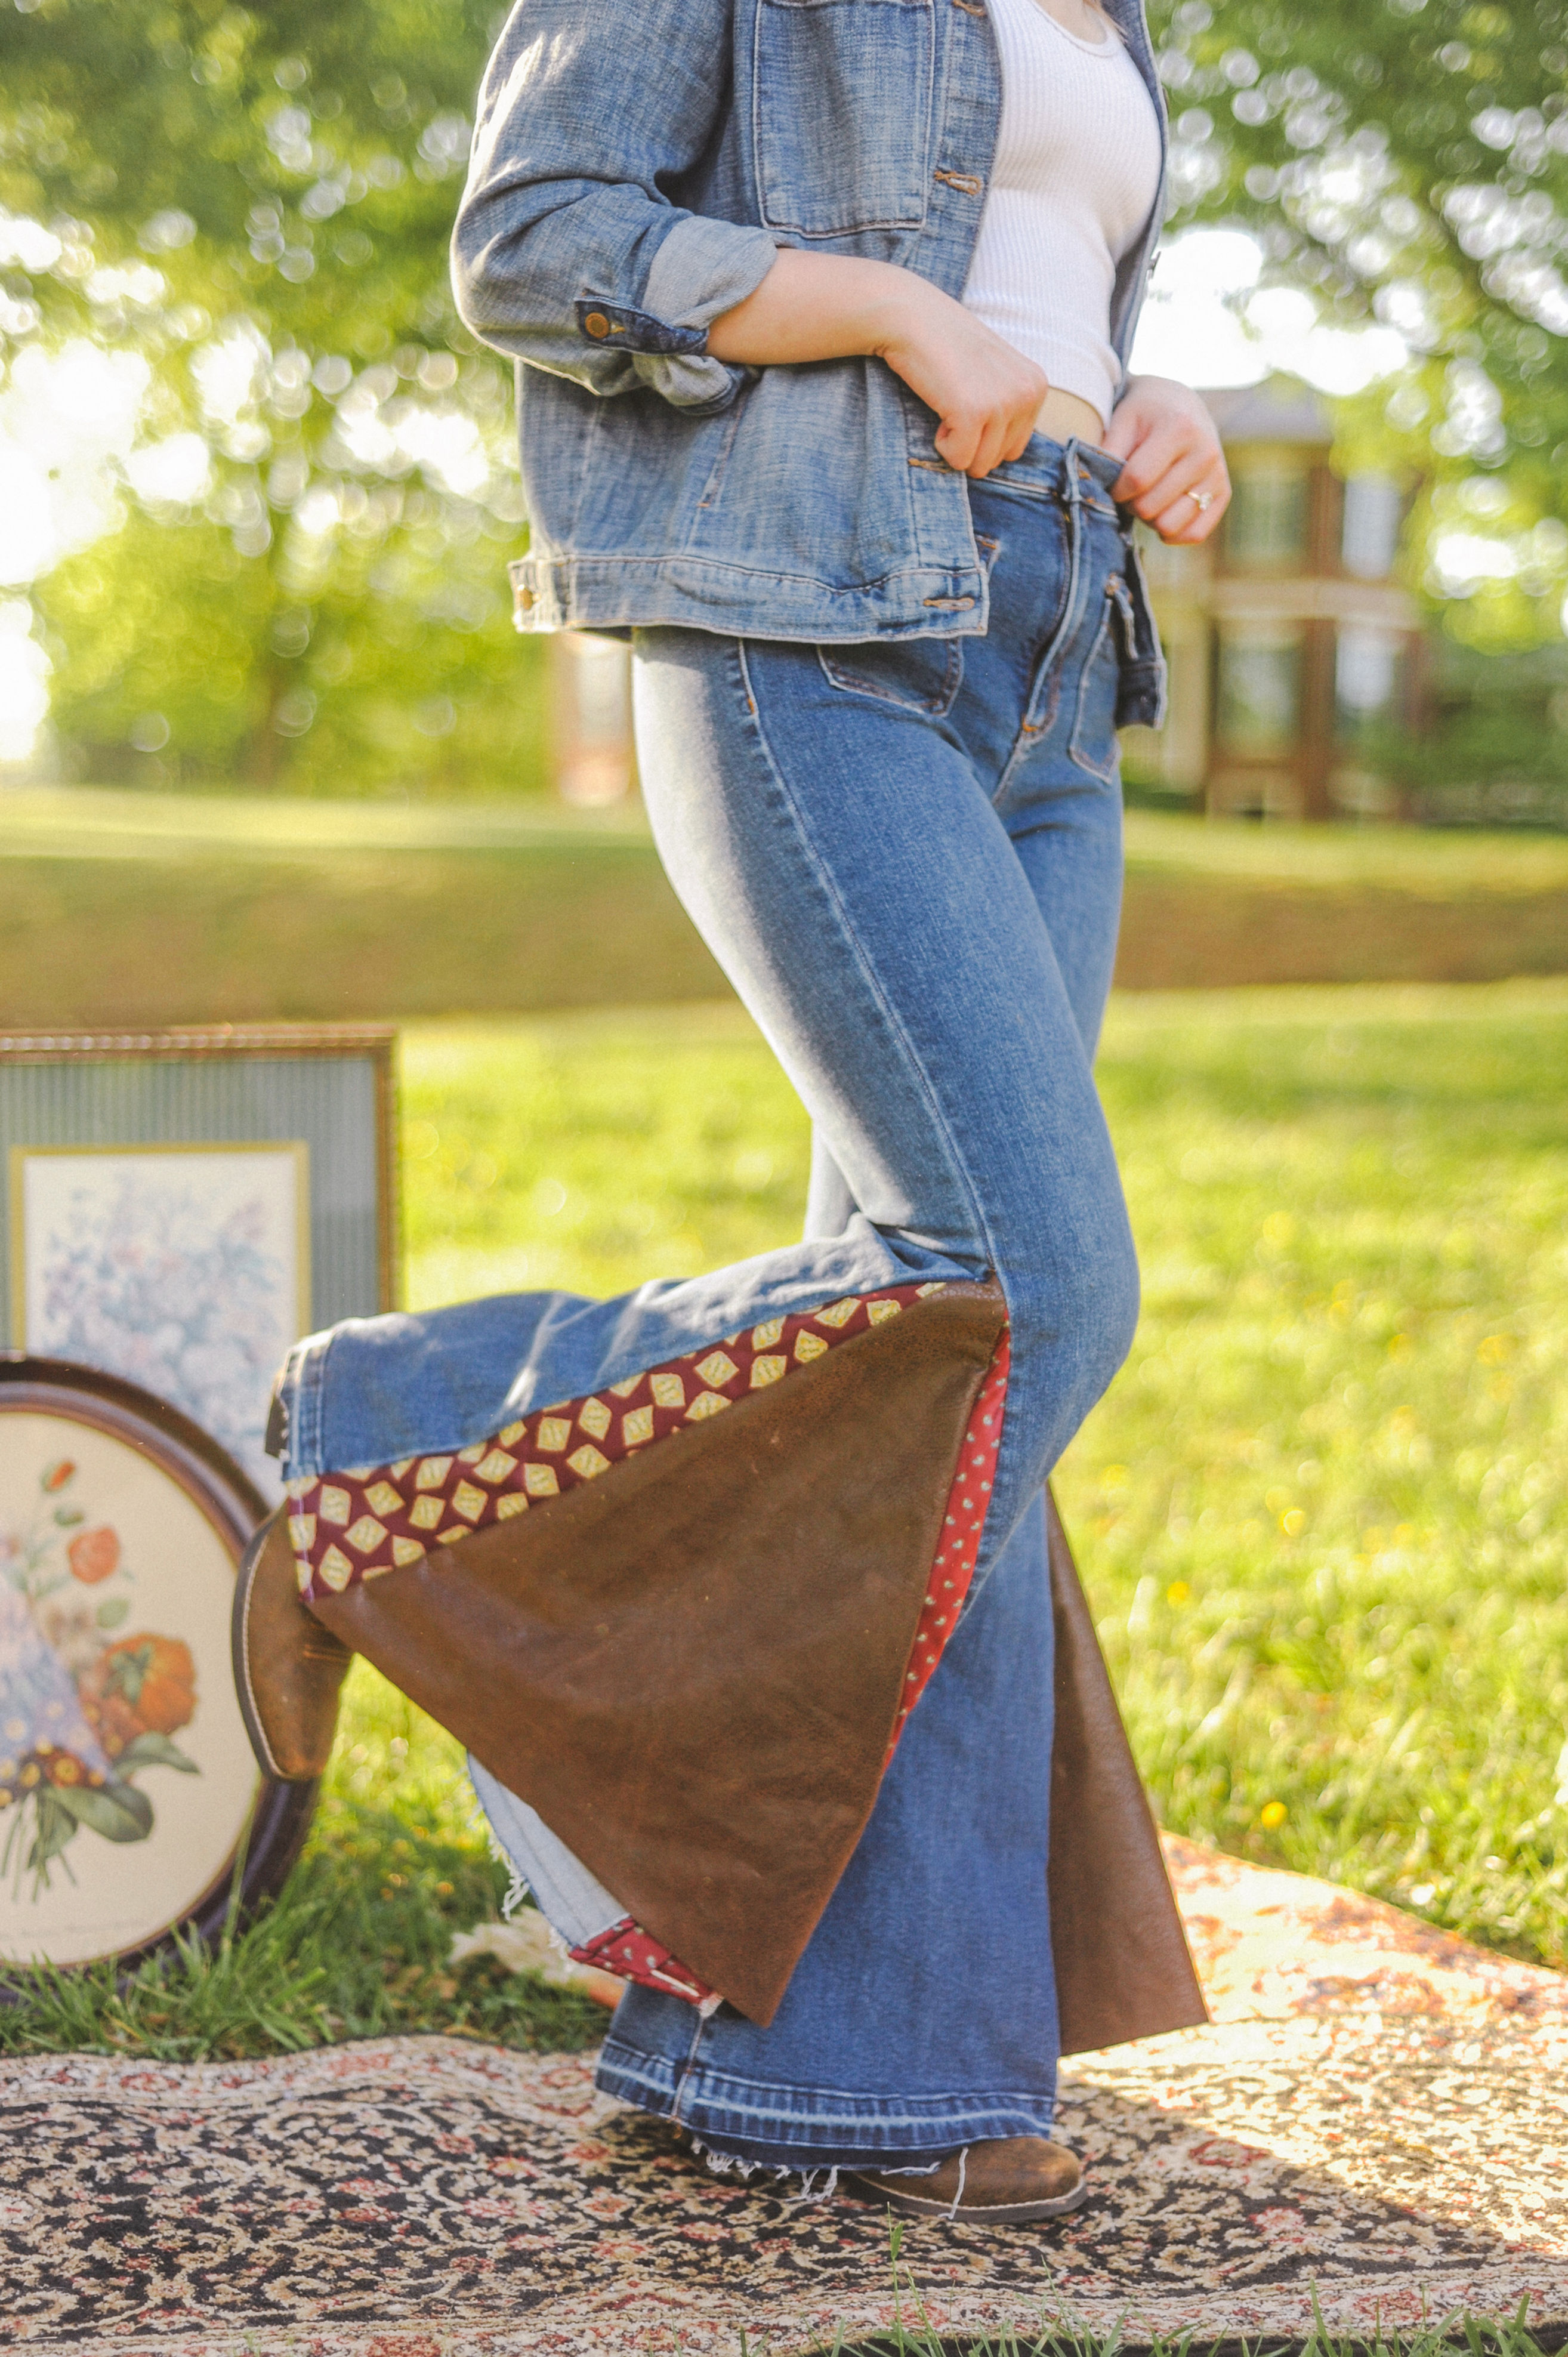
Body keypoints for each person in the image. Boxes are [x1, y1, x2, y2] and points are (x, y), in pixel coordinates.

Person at [233, 0, 1229, 2225]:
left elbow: (1036, 268)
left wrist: (1143, 407)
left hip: (1055, 642)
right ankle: (388, 1433)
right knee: (1017, 1284)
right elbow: (534, 235)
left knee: (935, 1365)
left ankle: (818, 2065)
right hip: (807, 621)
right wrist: (879, 309)